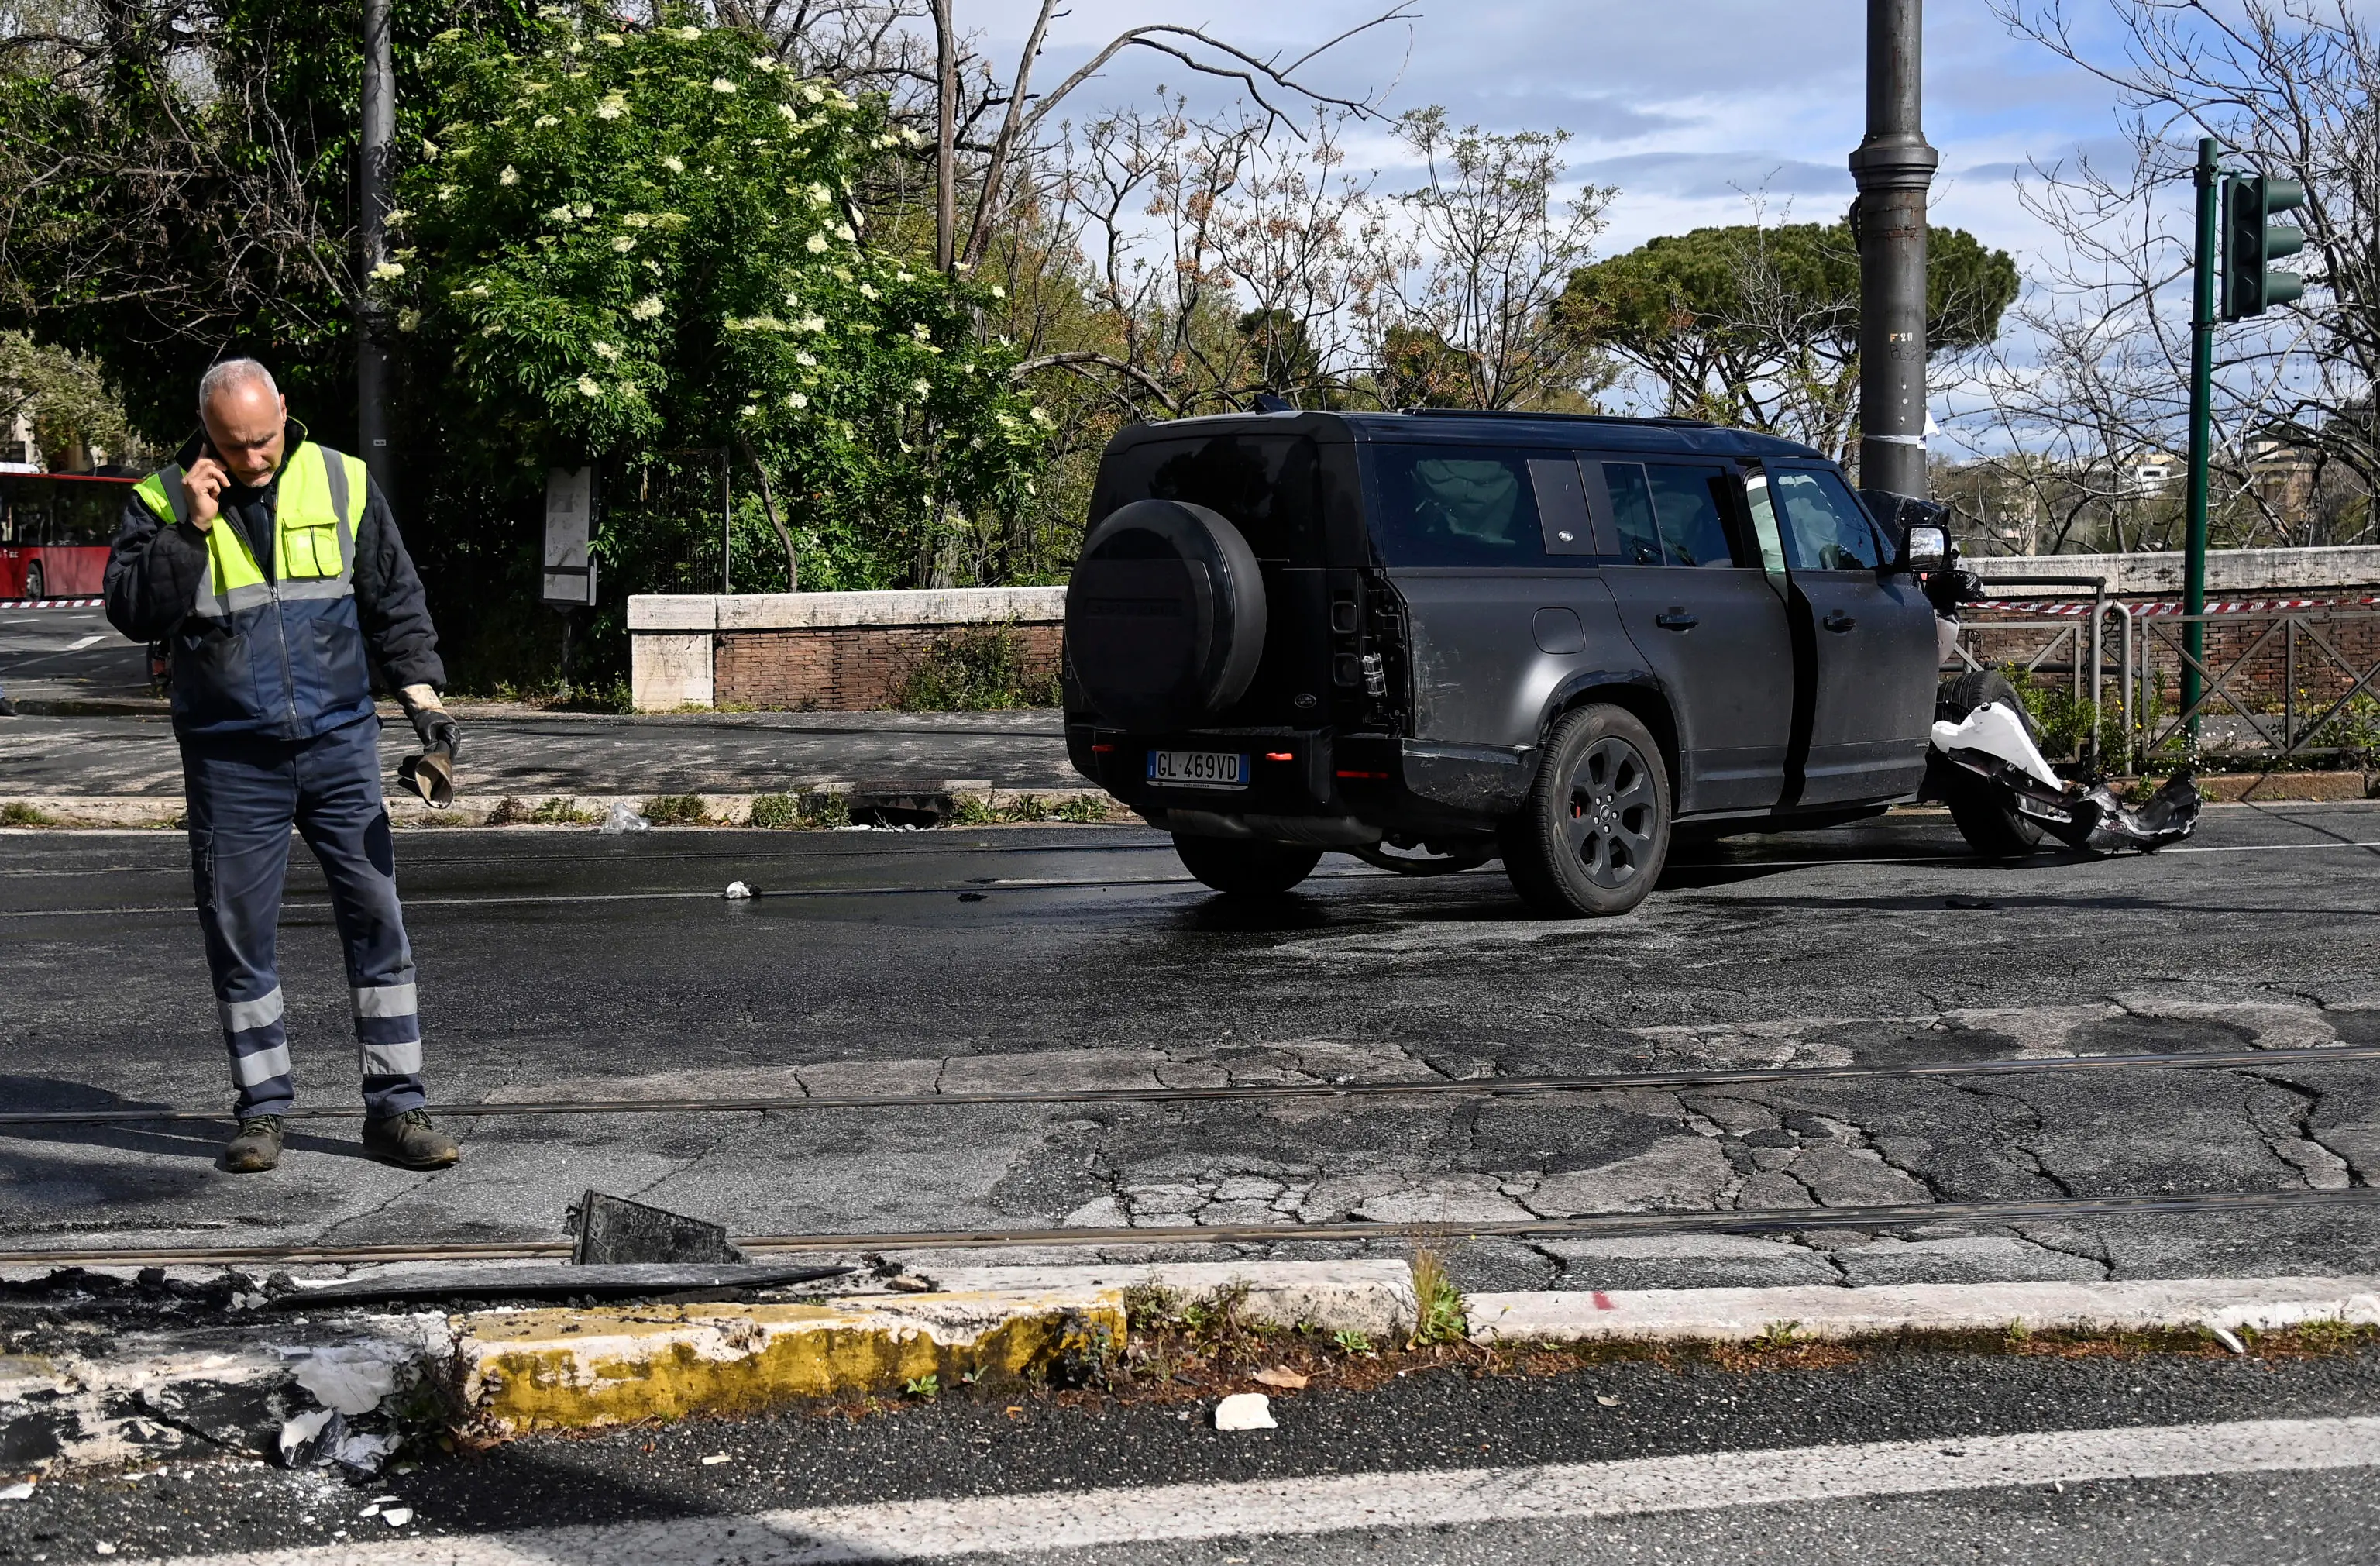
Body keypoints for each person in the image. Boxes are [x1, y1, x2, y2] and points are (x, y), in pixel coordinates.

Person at [104, 359, 461, 1174]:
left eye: (263, 441)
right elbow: (131, 611)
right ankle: (263, 1110)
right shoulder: (161, 499)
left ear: (284, 415)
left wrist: (426, 706)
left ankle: (398, 1106)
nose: (254, 459)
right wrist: (188, 530)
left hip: (339, 745)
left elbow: (393, 603)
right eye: (235, 446)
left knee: (379, 921)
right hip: (231, 758)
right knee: (239, 936)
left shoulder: (342, 482)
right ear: (208, 434)